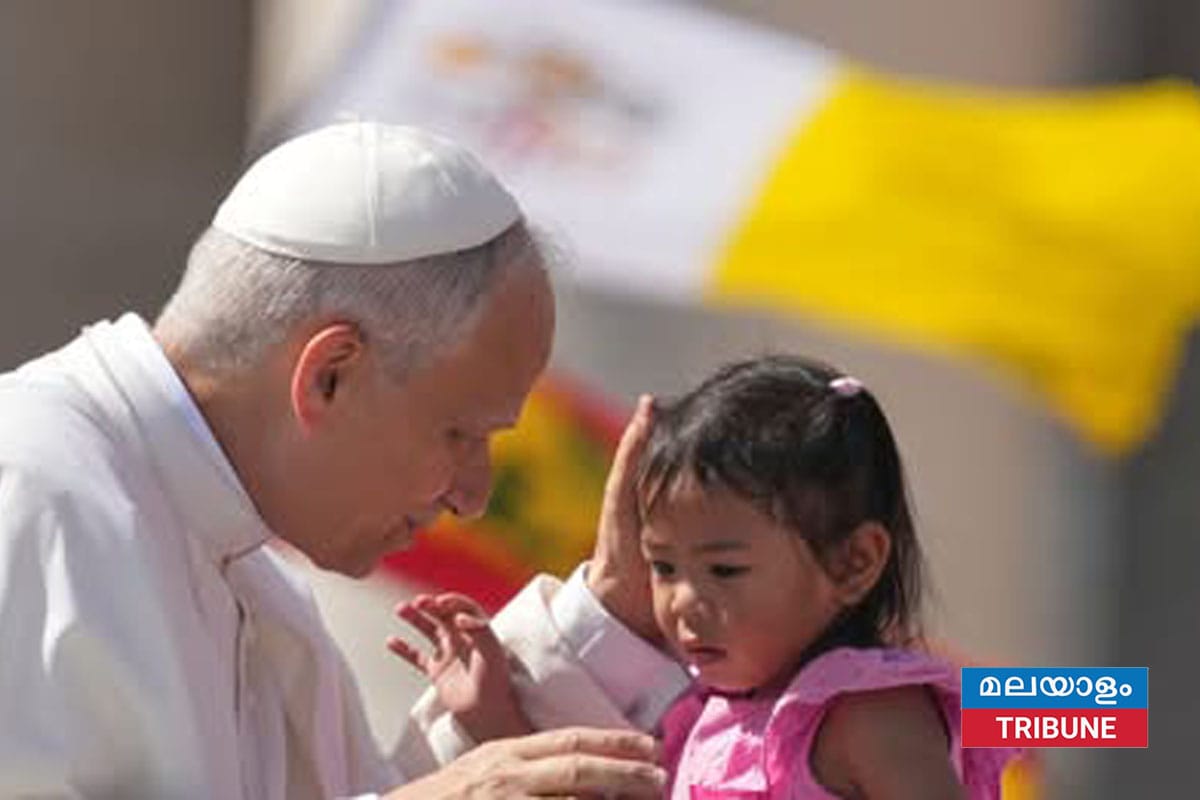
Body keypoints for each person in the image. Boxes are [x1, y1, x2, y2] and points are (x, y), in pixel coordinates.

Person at [0, 121, 673, 799]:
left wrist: (606, 615)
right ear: (329, 374)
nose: (472, 496)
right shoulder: (29, 487)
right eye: (461, 434)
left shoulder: (252, 569)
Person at [395, 355, 1022, 798]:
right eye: (663, 567)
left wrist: (1110, 700)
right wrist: (492, 717)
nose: (683, 603)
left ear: (853, 562)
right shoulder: (702, 713)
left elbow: (1101, 705)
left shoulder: (866, 712)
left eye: (724, 569)